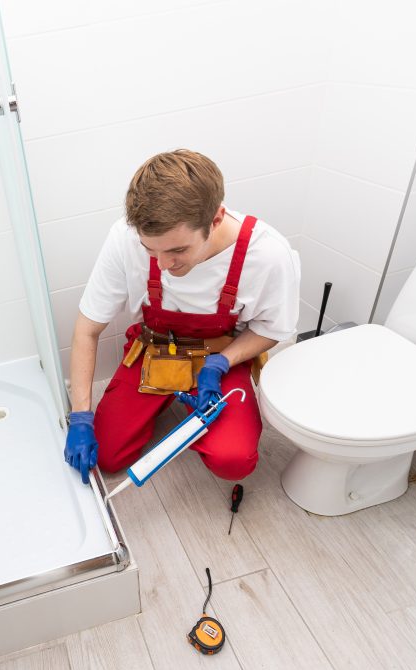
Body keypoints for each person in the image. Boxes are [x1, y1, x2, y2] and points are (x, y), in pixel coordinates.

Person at [63, 149, 301, 486]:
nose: (162, 264)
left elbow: (272, 329)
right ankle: (168, 403)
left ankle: (193, 410)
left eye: (177, 250)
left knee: (233, 460)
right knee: (106, 456)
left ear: (216, 219)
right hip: (155, 352)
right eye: (150, 250)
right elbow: (87, 330)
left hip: (219, 359)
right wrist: (81, 418)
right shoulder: (124, 237)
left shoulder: (266, 254)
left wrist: (222, 363)